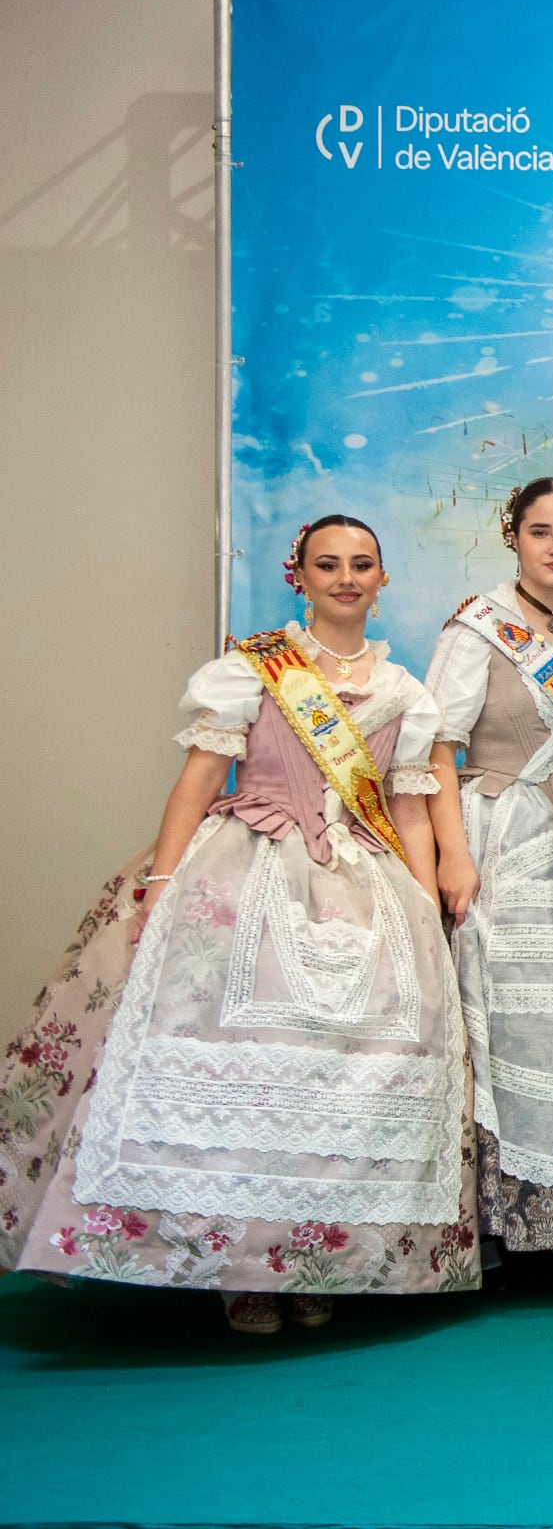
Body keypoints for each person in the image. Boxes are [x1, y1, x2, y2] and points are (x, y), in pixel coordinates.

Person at [0, 516, 475, 1333]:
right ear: (300, 576)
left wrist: (424, 903)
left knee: (348, 1076)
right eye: (329, 564)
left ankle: (319, 1258)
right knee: (245, 1057)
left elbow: (411, 811)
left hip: (366, 881)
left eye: (362, 564)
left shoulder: (407, 692)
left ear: (383, 577)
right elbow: (197, 780)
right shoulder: (252, 670)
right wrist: (159, 882)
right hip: (250, 867)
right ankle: (239, 1269)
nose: (347, 577)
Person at [423, 479, 553, 1257]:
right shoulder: (479, 627)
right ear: (511, 535)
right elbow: (437, 746)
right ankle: (502, 1223)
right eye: (540, 531)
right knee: (509, 1025)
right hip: (503, 836)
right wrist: (453, 851)